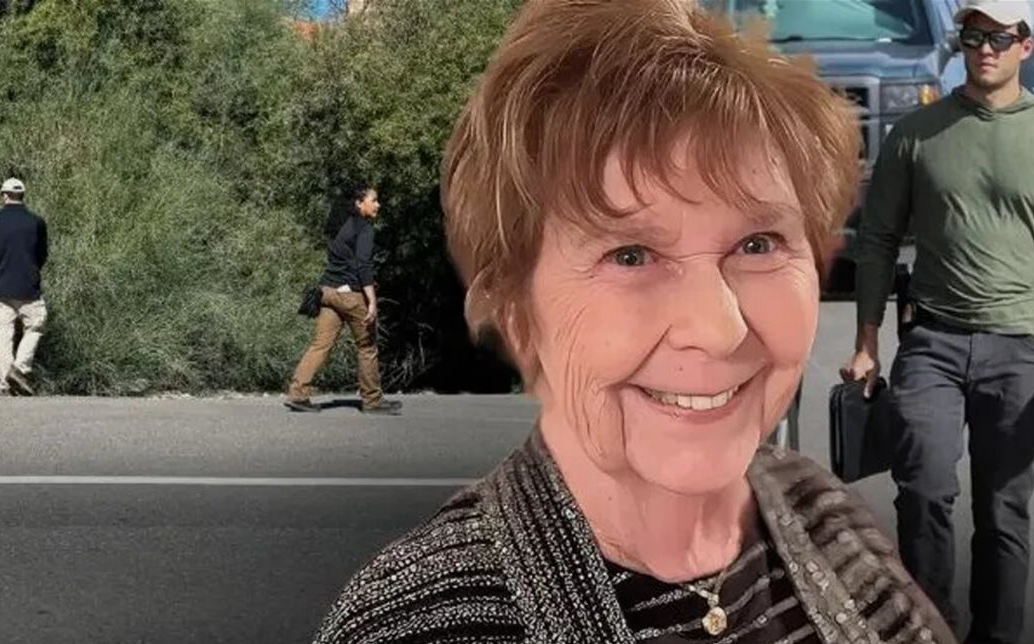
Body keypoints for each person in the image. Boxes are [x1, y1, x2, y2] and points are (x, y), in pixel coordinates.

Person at [312, 1, 955, 642]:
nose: (718, 328)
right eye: (630, 255)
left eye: (757, 244)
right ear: (514, 308)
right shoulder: (421, 621)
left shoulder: (830, 517)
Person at [842, 1, 1034, 642]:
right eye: (973, 35)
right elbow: (877, 240)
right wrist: (867, 343)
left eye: (999, 37)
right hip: (931, 340)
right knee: (924, 490)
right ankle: (929, 631)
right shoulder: (916, 133)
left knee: (1003, 510)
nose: (985, 47)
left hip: (1020, 345)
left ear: (1025, 46)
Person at [284, 185, 402, 415]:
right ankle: (372, 401)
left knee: (320, 345)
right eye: (374, 200)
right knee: (367, 347)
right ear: (359, 203)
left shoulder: (340, 226)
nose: (378, 205)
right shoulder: (364, 229)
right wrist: (372, 301)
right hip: (350, 296)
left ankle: (298, 394)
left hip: (328, 292)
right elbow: (363, 265)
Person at [0, 178, 49, 397]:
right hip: (28, 286)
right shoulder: (36, 222)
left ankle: (5, 382)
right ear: (22, 196)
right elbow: (42, 254)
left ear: (4, 195)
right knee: (36, 325)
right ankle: (20, 368)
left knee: (4, 332)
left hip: (1, 286)